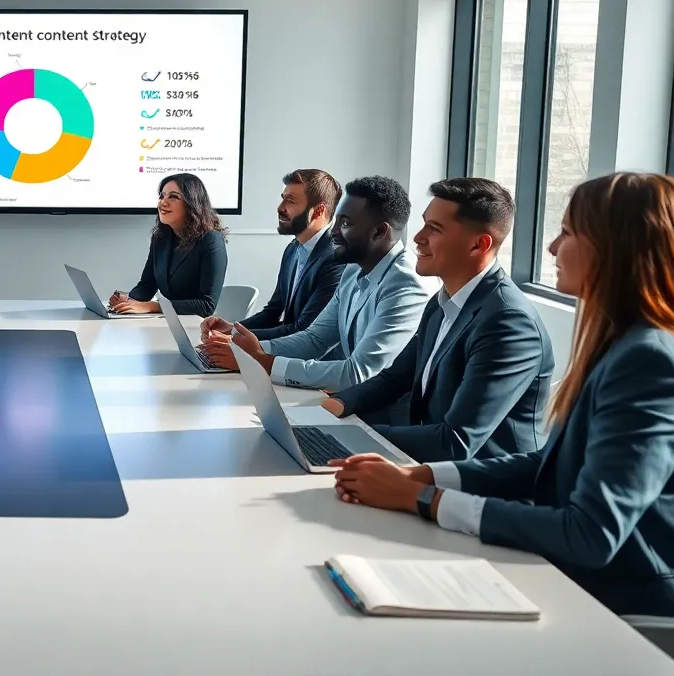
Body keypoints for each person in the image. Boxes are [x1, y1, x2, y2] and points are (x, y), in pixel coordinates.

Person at [329, 172, 674, 618]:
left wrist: (425, 499)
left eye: (567, 233)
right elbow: (549, 462)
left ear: (616, 248)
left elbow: (591, 534)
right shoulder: (620, 344)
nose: (551, 248)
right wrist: (424, 478)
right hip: (559, 567)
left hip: (615, 603)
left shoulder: (646, 359)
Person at [320, 178, 554, 463]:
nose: (418, 237)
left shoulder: (508, 322)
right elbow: (394, 378)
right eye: (424, 224)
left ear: (479, 245)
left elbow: (455, 441)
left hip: (485, 491)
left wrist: (353, 431)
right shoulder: (441, 302)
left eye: (435, 229)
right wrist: (335, 406)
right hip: (431, 469)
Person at [204, 176, 428, 394]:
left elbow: (358, 373)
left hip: (379, 419)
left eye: (346, 223)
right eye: (337, 221)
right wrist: (248, 350)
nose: (334, 232)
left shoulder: (406, 285)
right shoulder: (353, 270)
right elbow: (315, 338)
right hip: (346, 400)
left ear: (380, 231)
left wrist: (263, 362)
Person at [203, 169, 343, 341]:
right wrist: (231, 327)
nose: (280, 207)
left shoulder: (336, 259)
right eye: (282, 198)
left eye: (290, 201)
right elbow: (273, 313)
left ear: (319, 210)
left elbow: (303, 329)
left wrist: (235, 338)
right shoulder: (292, 250)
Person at [107, 173, 227, 317]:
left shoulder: (211, 240)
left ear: (192, 203)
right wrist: (128, 300)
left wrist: (154, 306)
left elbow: (206, 306)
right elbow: (147, 286)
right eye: (162, 196)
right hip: (168, 322)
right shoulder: (160, 239)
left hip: (195, 327)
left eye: (173, 197)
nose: (163, 203)